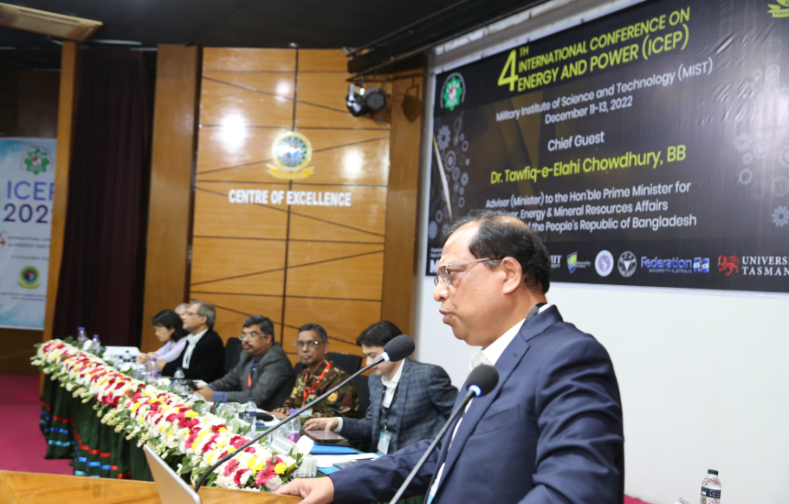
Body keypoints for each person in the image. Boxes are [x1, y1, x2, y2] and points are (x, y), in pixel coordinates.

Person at [277, 210, 624, 504]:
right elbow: (444, 452)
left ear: (508, 274)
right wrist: (336, 484)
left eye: (450, 274)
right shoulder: (494, 361)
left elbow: (573, 493)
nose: (438, 293)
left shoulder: (568, 357)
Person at [304, 321, 458, 455]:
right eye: (366, 356)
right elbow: (371, 425)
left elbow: (459, 416)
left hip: (415, 461)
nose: (367, 363)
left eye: (373, 356)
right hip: (380, 459)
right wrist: (337, 422)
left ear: (395, 351)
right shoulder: (375, 379)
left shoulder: (427, 375)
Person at [196, 315, 295, 410]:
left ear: (268, 339)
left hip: (271, 415)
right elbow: (229, 380)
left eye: (252, 335)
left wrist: (214, 396)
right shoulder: (246, 355)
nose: (245, 340)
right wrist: (205, 388)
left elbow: (256, 396)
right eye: (244, 335)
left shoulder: (275, 360)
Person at [273, 323, 358, 419]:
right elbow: (291, 403)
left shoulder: (339, 379)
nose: (304, 349)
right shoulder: (303, 373)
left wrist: (290, 417)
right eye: (300, 344)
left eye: (312, 344)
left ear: (325, 347)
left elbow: (334, 418)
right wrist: (283, 410)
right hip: (298, 425)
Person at [161, 300, 225, 383]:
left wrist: (165, 367)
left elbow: (199, 375)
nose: (183, 318)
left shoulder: (212, 341)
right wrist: (162, 364)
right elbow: (180, 363)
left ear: (202, 319)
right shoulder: (191, 337)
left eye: (189, 314)